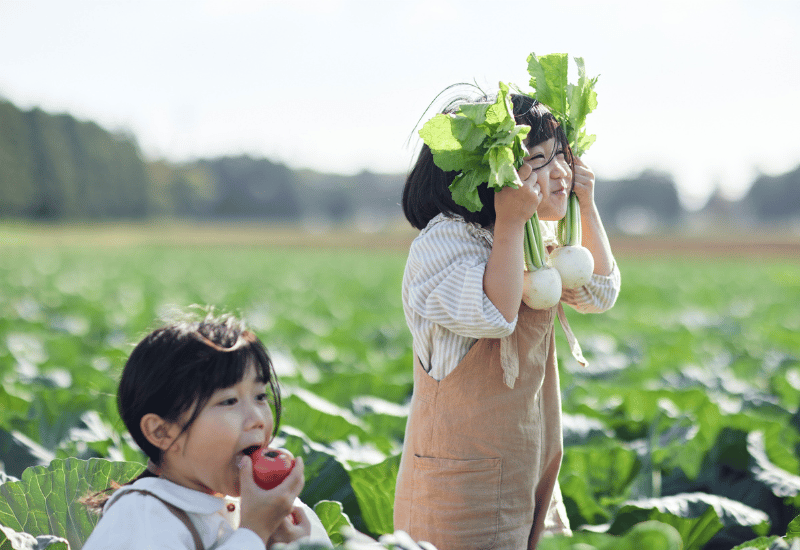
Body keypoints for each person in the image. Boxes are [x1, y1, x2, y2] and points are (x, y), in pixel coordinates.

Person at [393, 92, 621, 549]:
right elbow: (495, 314)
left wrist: (586, 203)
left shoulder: (534, 237)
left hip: (525, 469)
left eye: (561, 154)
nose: (560, 171)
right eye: (536, 159)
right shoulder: (447, 242)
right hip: (460, 486)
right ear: (486, 177)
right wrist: (513, 222)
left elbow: (599, 291)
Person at [82, 311, 333, 549]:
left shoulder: (272, 508)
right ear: (162, 432)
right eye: (228, 401)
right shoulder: (142, 514)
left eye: (260, 396)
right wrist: (254, 533)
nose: (257, 418)